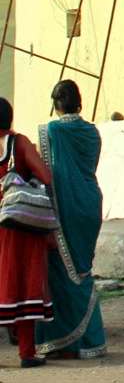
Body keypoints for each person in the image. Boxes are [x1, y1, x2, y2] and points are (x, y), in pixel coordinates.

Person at [37, 81, 106, 360]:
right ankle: (90, 340)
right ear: (80, 102)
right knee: (82, 271)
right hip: (90, 203)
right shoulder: (93, 132)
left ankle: (64, 341)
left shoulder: (52, 130)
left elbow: (45, 168)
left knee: (59, 272)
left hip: (65, 206)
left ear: (56, 104)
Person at [0, 97, 52, 368]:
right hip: (18, 224)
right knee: (24, 281)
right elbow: (45, 175)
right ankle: (27, 352)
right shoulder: (19, 143)